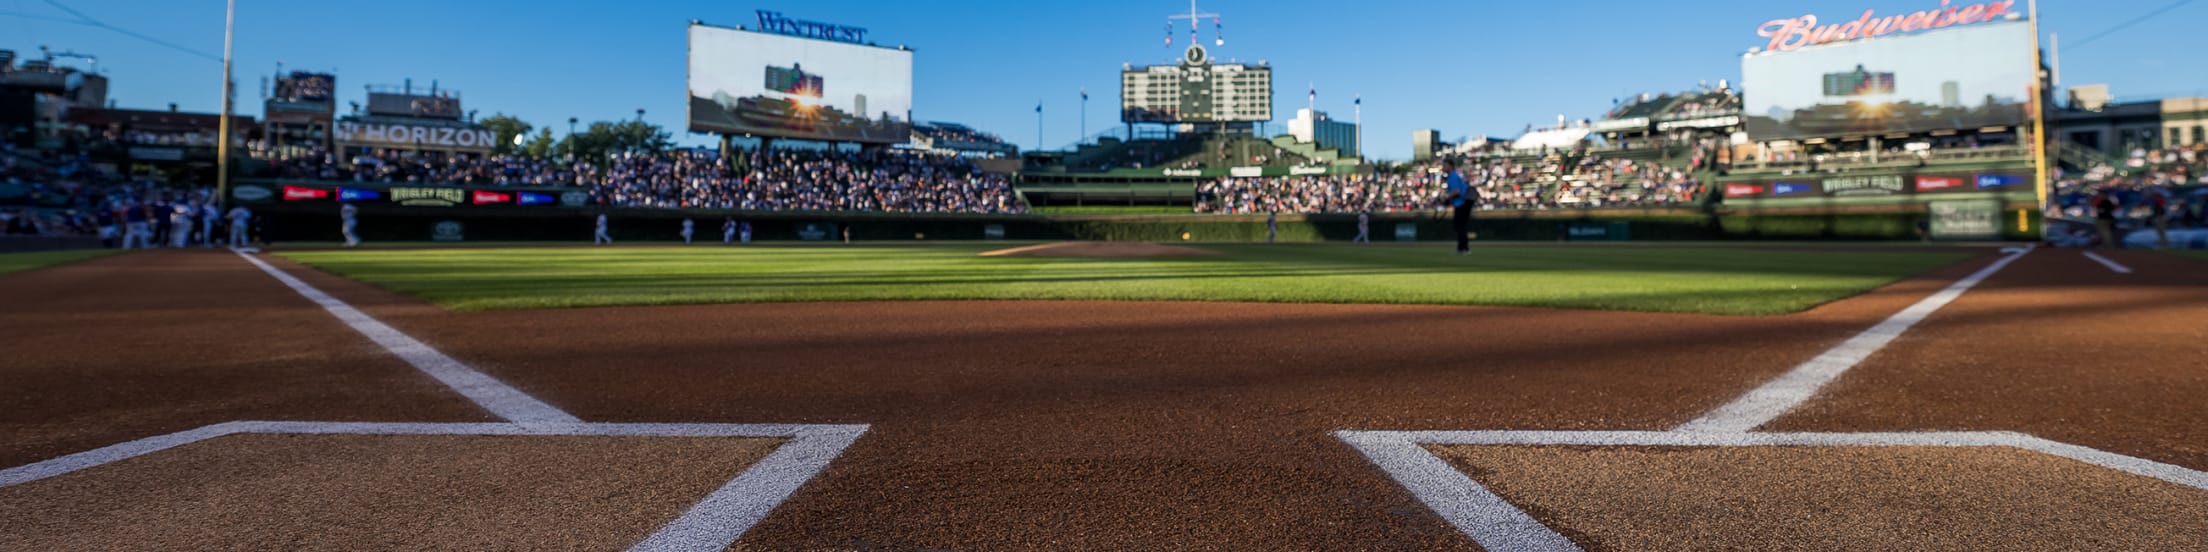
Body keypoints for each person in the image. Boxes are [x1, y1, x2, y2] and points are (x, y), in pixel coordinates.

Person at [1443, 160, 1476, 255]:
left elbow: (1456, 191)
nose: (1444, 168)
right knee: (1461, 227)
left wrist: (1447, 198)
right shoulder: (1454, 176)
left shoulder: (1452, 176)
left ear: (1450, 166)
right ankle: (1463, 248)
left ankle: (1463, 249)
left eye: (1445, 165)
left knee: (1460, 226)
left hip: (1461, 204)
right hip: (1463, 203)